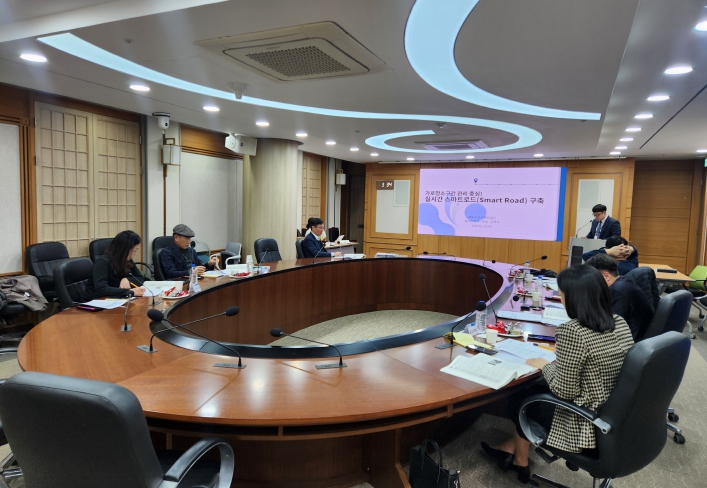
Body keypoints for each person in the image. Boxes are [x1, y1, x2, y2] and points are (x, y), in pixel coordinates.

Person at [480, 265, 634, 483]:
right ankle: (515, 454)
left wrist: (545, 365)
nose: (561, 299)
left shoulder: (572, 331)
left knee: (521, 396)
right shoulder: (619, 322)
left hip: (584, 421)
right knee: (532, 389)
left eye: (561, 294)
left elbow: (565, 391)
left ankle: (519, 459)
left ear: (572, 298)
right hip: (614, 412)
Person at [585, 254, 654, 340]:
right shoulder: (623, 284)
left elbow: (612, 328)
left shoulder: (618, 291)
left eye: (591, 279)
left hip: (629, 342)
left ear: (606, 276)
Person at [83, 230, 146, 300]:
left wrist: (127, 279)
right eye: (134, 250)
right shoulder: (102, 263)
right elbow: (102, 289)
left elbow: (140, 278)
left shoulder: (126, 260)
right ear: (125, 250)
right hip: (96, 301)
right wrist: (130, 292)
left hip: (115, 299)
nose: (135, 254)